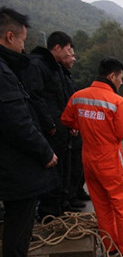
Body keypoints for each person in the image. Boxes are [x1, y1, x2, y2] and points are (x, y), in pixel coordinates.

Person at [61, 57, 123, 257]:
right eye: (121, 78)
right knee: (122, 205)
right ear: (112, 75)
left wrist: (85, 126)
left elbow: (67, 120)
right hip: (110, 162)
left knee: (101, 206)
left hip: (89, 161)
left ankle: (109, 246)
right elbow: (120, 133)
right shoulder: (115, 101)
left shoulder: (78, 96)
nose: (121, 82)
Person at [0, 6, 58, 257]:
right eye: (22, 40)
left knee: (18, 217)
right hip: (13, 163)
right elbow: (17, 121)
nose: (24, 46)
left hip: (12, 162)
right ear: (9, 37)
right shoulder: (3, 72)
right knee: (19, 219)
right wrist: (45, 152)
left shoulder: (8, 68)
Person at [22, 31, 76, 218]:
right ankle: (50, 213)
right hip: (50, 128)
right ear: (57, 47)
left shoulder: (56, 67)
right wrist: (49, 123)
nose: (70, 54)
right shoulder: (37, 64)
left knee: (64, 167)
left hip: (62, 126)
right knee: (53, 168)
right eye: (68, 49)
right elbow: (35, 97)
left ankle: (62, 206)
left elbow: (63, 98)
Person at [59, 46, 89, 208]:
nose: (73, 58)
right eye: (70, 54)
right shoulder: (54, 73)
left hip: (73, 127)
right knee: (72, 163)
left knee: (79, 162)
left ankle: (77, 191)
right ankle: (68, 197)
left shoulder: (65, 75)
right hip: (66, 127)